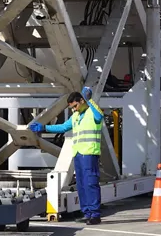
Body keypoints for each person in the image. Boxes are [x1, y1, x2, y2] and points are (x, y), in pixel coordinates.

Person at [28, 91, 104, 224]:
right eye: (72, 108)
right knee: (81, 184)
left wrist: (90, 100)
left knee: (90, 183)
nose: (74, 109)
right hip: (78, 154)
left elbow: (99, 115)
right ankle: (87, 213)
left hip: (90, 153)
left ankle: (95, 215)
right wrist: (44, 127)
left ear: (81, 101)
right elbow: (63, 127)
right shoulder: (75, 116)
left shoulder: (93, 113)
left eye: (75, 106)